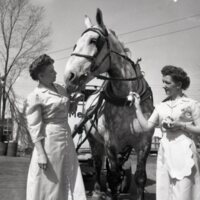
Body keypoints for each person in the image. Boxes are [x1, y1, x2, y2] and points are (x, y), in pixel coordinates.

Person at [131, 65, 200, 200]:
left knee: (183, 190)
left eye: (167, 82)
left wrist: (182, 125)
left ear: (179, 84)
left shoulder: (192, 104)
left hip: (185, 151)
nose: (164, 85)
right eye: (163, 82)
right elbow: (146, 127)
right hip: (166, 151)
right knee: (165, 190)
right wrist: (137, 107)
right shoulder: (161, 107)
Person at [25, 54, 87, 200]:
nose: (56, 73)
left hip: (66, 138)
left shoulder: (60, 88)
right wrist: (41, 154)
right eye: (51, 71)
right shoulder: (35, 96)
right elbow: (34, 128)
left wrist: (74, 101)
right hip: (49, 142)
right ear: (41, 75)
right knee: (50, 182)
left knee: (69, 176)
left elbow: (66, 109)